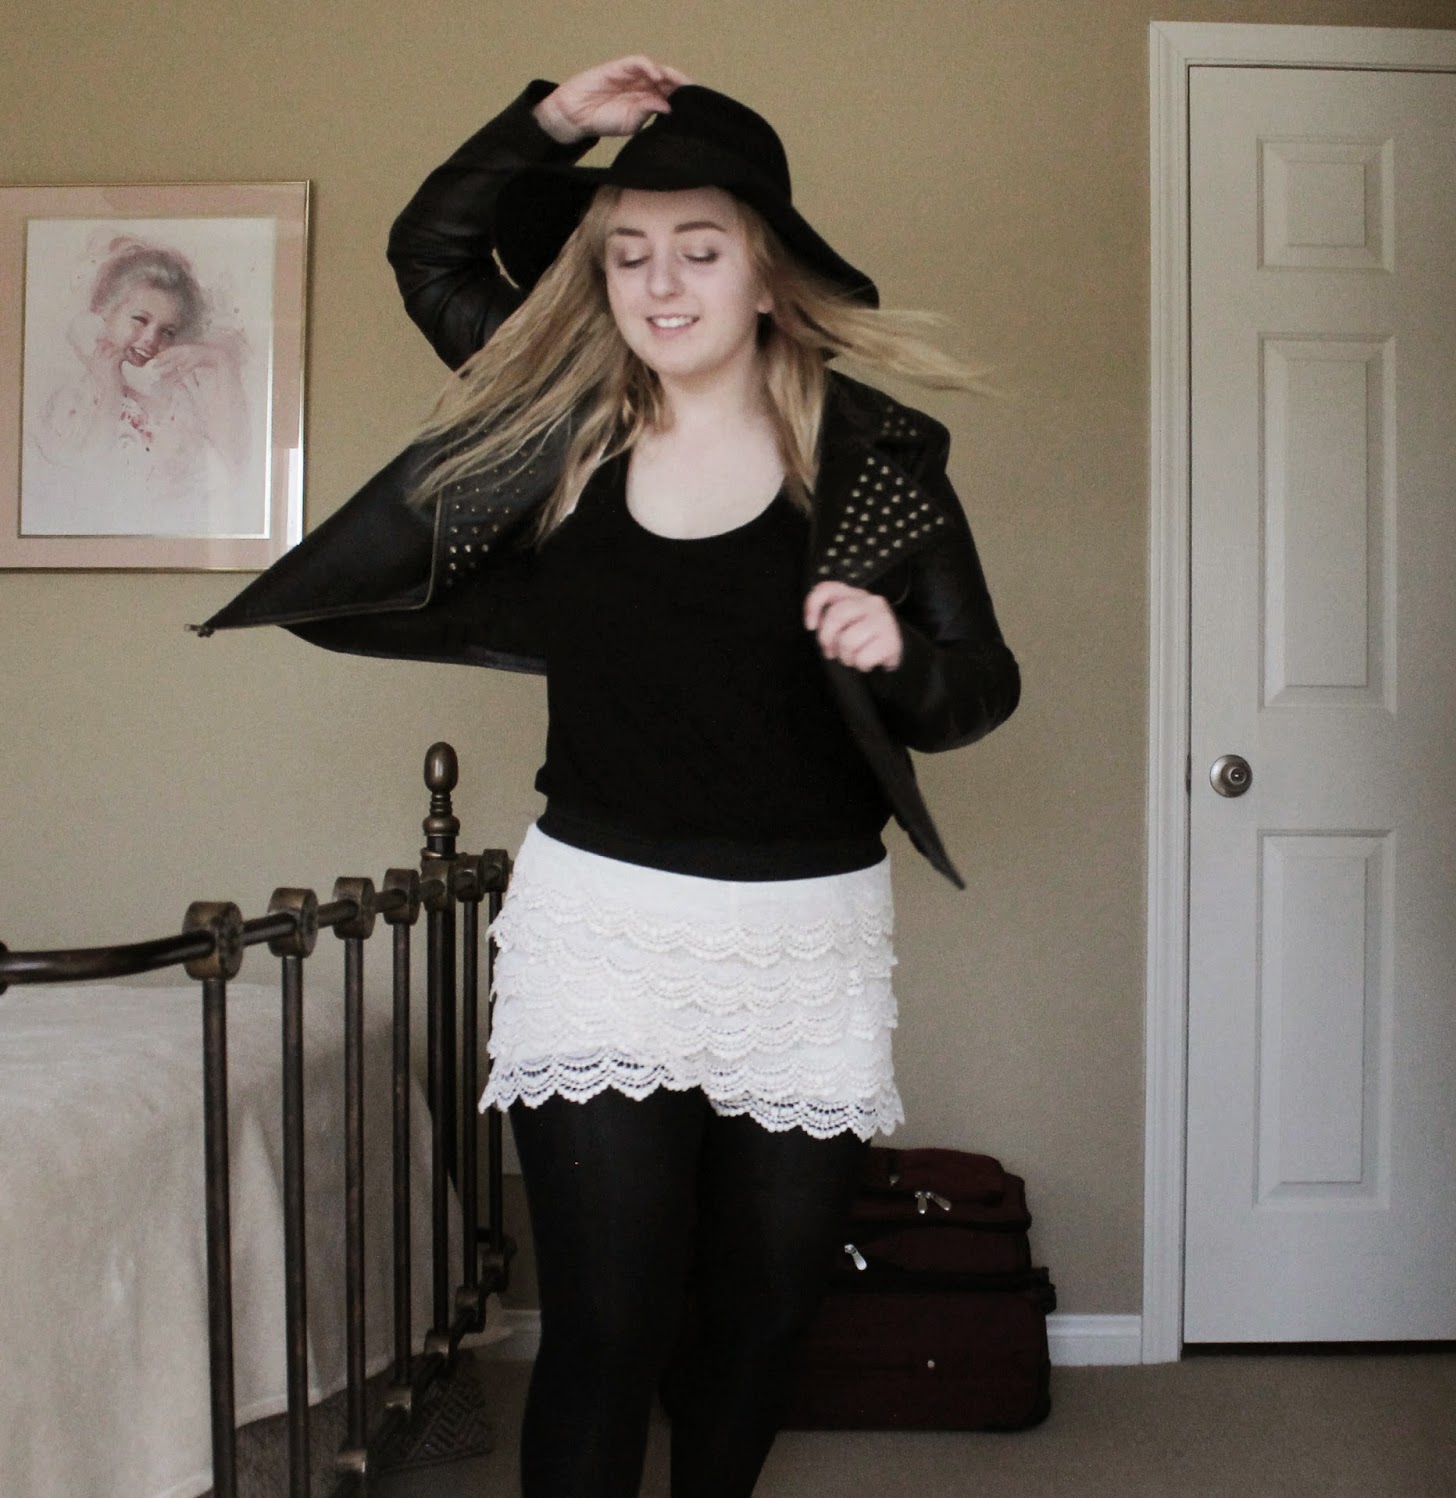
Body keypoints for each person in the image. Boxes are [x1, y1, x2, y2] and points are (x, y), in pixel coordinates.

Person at [199, 54, 1018, 1498]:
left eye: (699, 249)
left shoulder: (875, 459)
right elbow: (431, 252)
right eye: (629, 253)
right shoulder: (563, 422)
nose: (659, 283)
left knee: (761, 1319)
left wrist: (896, 652)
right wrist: (553, 123)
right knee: (606, 1324)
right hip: (604, 928)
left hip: (806, 940)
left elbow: (978, 689)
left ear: (767, 275)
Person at [26, 239, 250, 536]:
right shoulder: (75, 398)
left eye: (167, 332)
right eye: (140, 320)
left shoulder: (180, 397)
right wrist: (110, 390)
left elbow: (229, 470)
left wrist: (221, 361)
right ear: (103, 315)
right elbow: (83, 482)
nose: (151, 339)